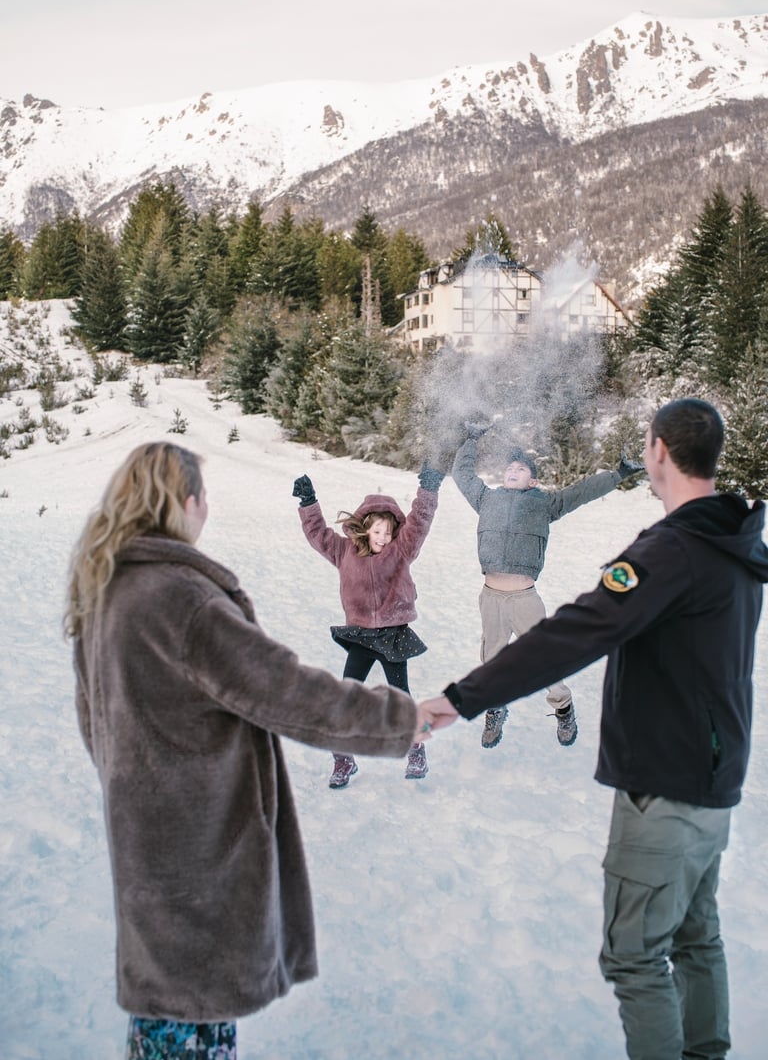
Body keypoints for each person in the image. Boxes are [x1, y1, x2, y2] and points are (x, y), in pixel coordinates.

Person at [422, 399, 768, 1060]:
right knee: (698, 940)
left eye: (645, 443)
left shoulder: (671, 550)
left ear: (660, 451)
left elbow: (578, 631)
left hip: (663, 792)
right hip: (713, 787)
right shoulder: (735, 543)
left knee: (636, 958)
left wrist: (460, 697)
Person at [66, 442, 423, 1060]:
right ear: (187, 502)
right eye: (205, 499)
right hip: (200, 843)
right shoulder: (181, 597)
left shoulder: (104, 587)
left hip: (143, 838)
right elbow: (284, 689)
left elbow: (92, 720)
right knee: (194, 1015)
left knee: (166, 1013)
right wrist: (405, 719)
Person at [452, 422, 642, 749]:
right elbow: (462, 475)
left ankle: (563, 707)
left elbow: (582, 491)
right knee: (492, 661)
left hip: (524, 599)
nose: (513, 469)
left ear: (533, 480)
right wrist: (470, 440)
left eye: (521, 467)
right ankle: (496, 707)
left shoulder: (544, 504)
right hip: (491, 598)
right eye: (510, 467)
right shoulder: (486, 499)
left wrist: (618, 474)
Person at [293, 463, 443, 786]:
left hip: (393, 634)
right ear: (363, 528)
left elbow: (418, 523)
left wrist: (428, 489)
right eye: (377, 532)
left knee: (401, 695)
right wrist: (308, 502)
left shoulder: (401, 551)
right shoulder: (344, 551)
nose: (384, 538)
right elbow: (318, 535)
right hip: (361, 635)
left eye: (388, 532)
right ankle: (343, 758)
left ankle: (416, 749)